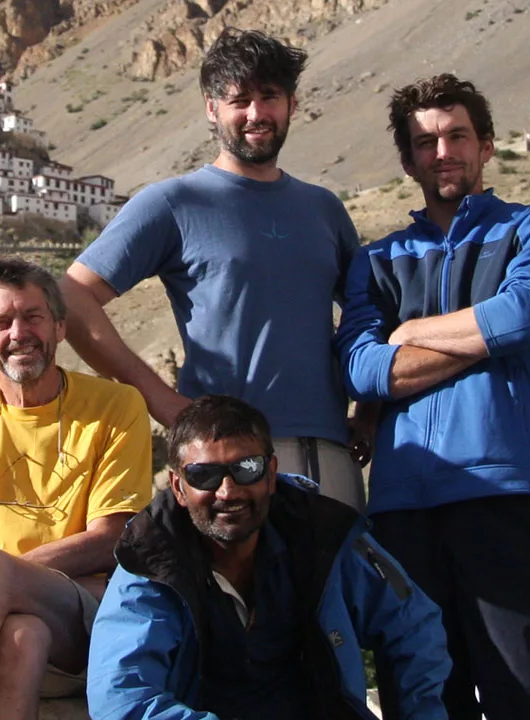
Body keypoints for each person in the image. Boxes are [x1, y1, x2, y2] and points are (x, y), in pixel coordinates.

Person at [334, 74, 530, 720]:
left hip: (511, 496)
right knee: (423, 700)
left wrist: (412, 333)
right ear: (407, 159)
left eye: (457, 136)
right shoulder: (377, 259)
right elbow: (363, 370)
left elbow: (527, 313)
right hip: (402, 512)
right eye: (425, 142)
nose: (442, 152)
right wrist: (480, 336)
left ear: (487, 145)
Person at [61, 27, 368, 510]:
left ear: (291, 103)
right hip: (224, 461)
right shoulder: (173, 202)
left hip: (328, 452)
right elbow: (73, 296)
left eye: (269, 97)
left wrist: (368, 411)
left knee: (337, 586)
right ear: (211, 108)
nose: (256, 113)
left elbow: (367, 316)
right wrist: (161, 401)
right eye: (238, 99)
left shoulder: (324, 208)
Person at [86, 395, 450, 720]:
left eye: (247, 469)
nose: (228, 492)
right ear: (179, 486)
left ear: (271, 474)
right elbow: (120, 698)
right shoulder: (150, 560)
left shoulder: (321, 534)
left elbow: (413, 623)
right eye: (204, 475)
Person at [0, 252, 153, 720]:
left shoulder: (117, 406)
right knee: (23, 636)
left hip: (87, 608)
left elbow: (110, 539)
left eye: (33, 316)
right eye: (1, 322)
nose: (19, 333)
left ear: (60, 327)